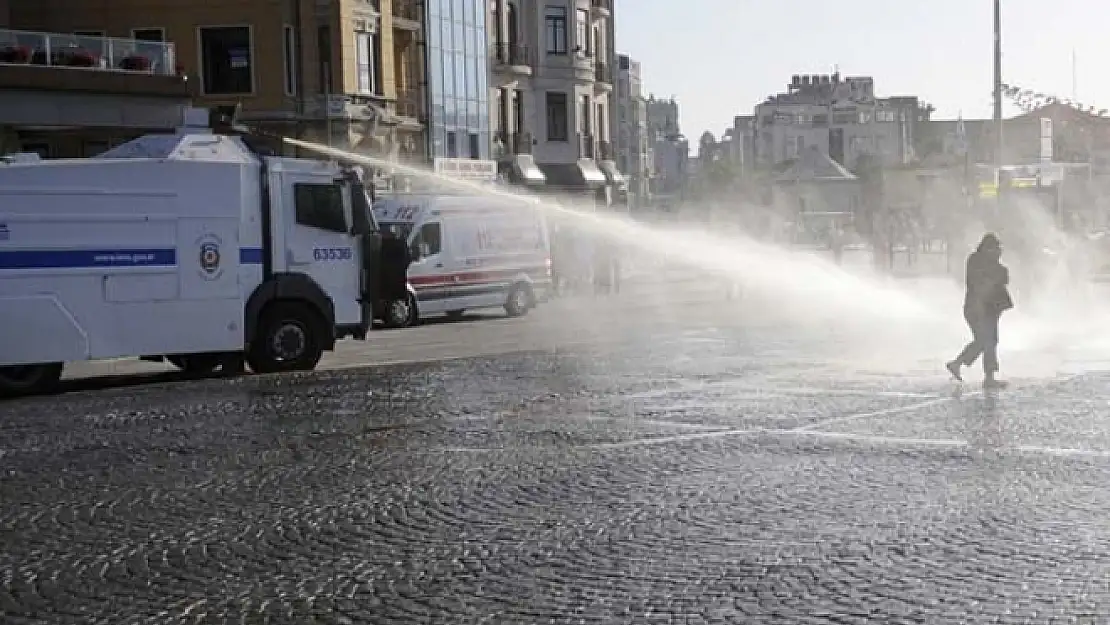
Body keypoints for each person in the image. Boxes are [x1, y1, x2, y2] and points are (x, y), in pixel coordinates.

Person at [947, 233, 1013, 388]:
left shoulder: (991, 263)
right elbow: (982, 282)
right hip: (977, 308)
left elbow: (1003, 279)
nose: (999, 251)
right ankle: (984, 376)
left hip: (989, 308)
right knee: (986, 340)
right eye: (996, 248)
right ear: (988, 248)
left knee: (988, 341)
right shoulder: (977, 261)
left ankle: (960, 365)